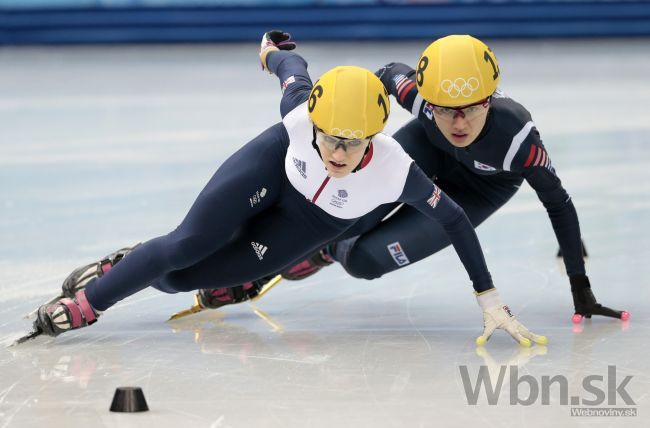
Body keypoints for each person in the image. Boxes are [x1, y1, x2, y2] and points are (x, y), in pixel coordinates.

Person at [31, 31, 545, 347]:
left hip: (305, 224)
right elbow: (291, 70)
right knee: (186, 243)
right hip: (268, 171)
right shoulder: (299, 115)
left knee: (176, 279)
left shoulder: (396, 169)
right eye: (330, 139)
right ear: (313, 125)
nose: (339, 154)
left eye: (353, 143)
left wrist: (489, 296)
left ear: (374, 137)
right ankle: (89, 304)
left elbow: (455, 220)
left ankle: (130, 265)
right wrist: (272, 49)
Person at [216, 34, 628, 325]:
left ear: (489, 100)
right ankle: (259, 266)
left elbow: (559, 202)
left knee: (364, 262)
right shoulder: (416, 96)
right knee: (348, 212)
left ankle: (327, 253)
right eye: (445, 109)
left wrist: (580, 286)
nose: (458, 122)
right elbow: (374, 81)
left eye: (470, 108)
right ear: (428, 100)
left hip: (479, 190)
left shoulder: (519, 141)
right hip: (425, 149)